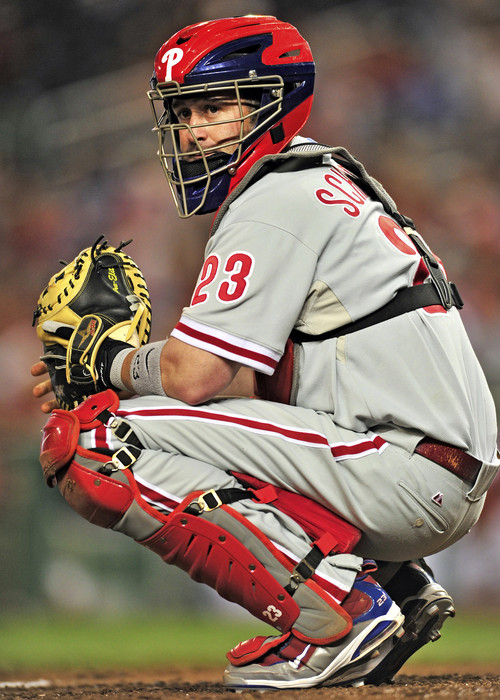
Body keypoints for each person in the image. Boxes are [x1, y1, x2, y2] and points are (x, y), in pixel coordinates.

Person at [31, 15, 499, 690]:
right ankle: (395, 587)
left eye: (215, 107)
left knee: (91, 440)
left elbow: (195, 378)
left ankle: (339, 614)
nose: (194, 131)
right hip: (418, 465)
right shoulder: (319, 178)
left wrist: (101, 363)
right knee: (171, 426)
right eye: (184, 112)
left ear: (272, 105)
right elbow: (237, 392)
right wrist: (116, 371)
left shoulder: (275, 199)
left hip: (401, 470)